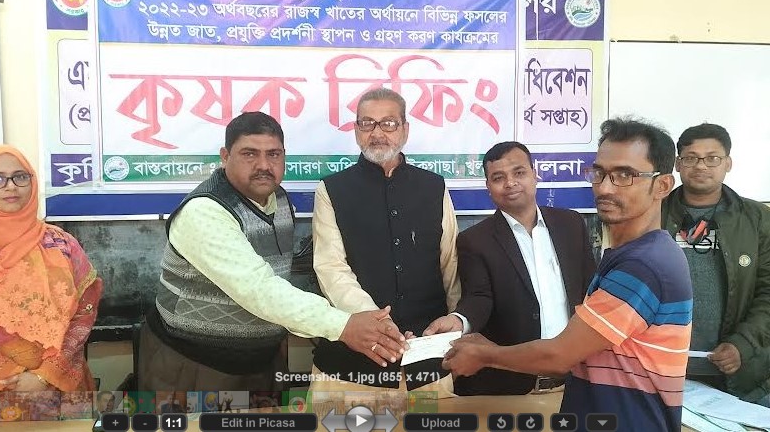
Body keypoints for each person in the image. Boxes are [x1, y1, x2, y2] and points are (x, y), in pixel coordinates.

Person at [443, 117, 693, 432]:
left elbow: (560, 355)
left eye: (624, 175)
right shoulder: (635, 255)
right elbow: (480, 297)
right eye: (599, 173)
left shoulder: (643, 265)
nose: (604, 187)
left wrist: (485, 355)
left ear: (663, 185)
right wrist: (463, 325)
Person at [138, 111, 406, 391]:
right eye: (249, 154)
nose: (264, 165)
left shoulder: (279, 201)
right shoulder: (203, 211)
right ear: (225, 156)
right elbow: (259, 288)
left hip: (262, 363)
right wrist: (344, 326)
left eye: (274, 154)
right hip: (193, 365)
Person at [310, 87, 460, 397]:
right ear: (356, 130)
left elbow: (451, 265)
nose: (377, 133)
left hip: (428, 365)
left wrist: (455, 331)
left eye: (389, 123)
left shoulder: (433, 186)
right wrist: (377, 323)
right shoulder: (332, 189)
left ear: (405, 129)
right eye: (367, 123)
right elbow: (331, 269)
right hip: (351, 371)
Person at [0, 145, 102, 399]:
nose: (11, 186)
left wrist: (44, 375)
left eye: (20, 176)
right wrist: (7, 374)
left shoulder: (61, 244)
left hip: (56, 386)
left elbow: (85, 309)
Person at [450, 141, 596, 395]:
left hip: (575, 380)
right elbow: (479, 298)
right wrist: (459, 320)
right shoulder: (474, 240)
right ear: (488, 187)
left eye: (519, 173)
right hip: (512, 385)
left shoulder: (571, 224)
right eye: (498, 178)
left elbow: (590, 290)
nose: (510, 183)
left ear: (534, 174)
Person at [662, 123, 770, 406]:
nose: (701, 166)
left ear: (728, 163)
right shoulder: (653, 213)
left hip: (737, 371)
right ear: (678, 164)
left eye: (712, 158)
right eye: (691, 158)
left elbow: (768, 292)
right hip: (661, 367)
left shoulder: (757, 218)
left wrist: (742, 344)